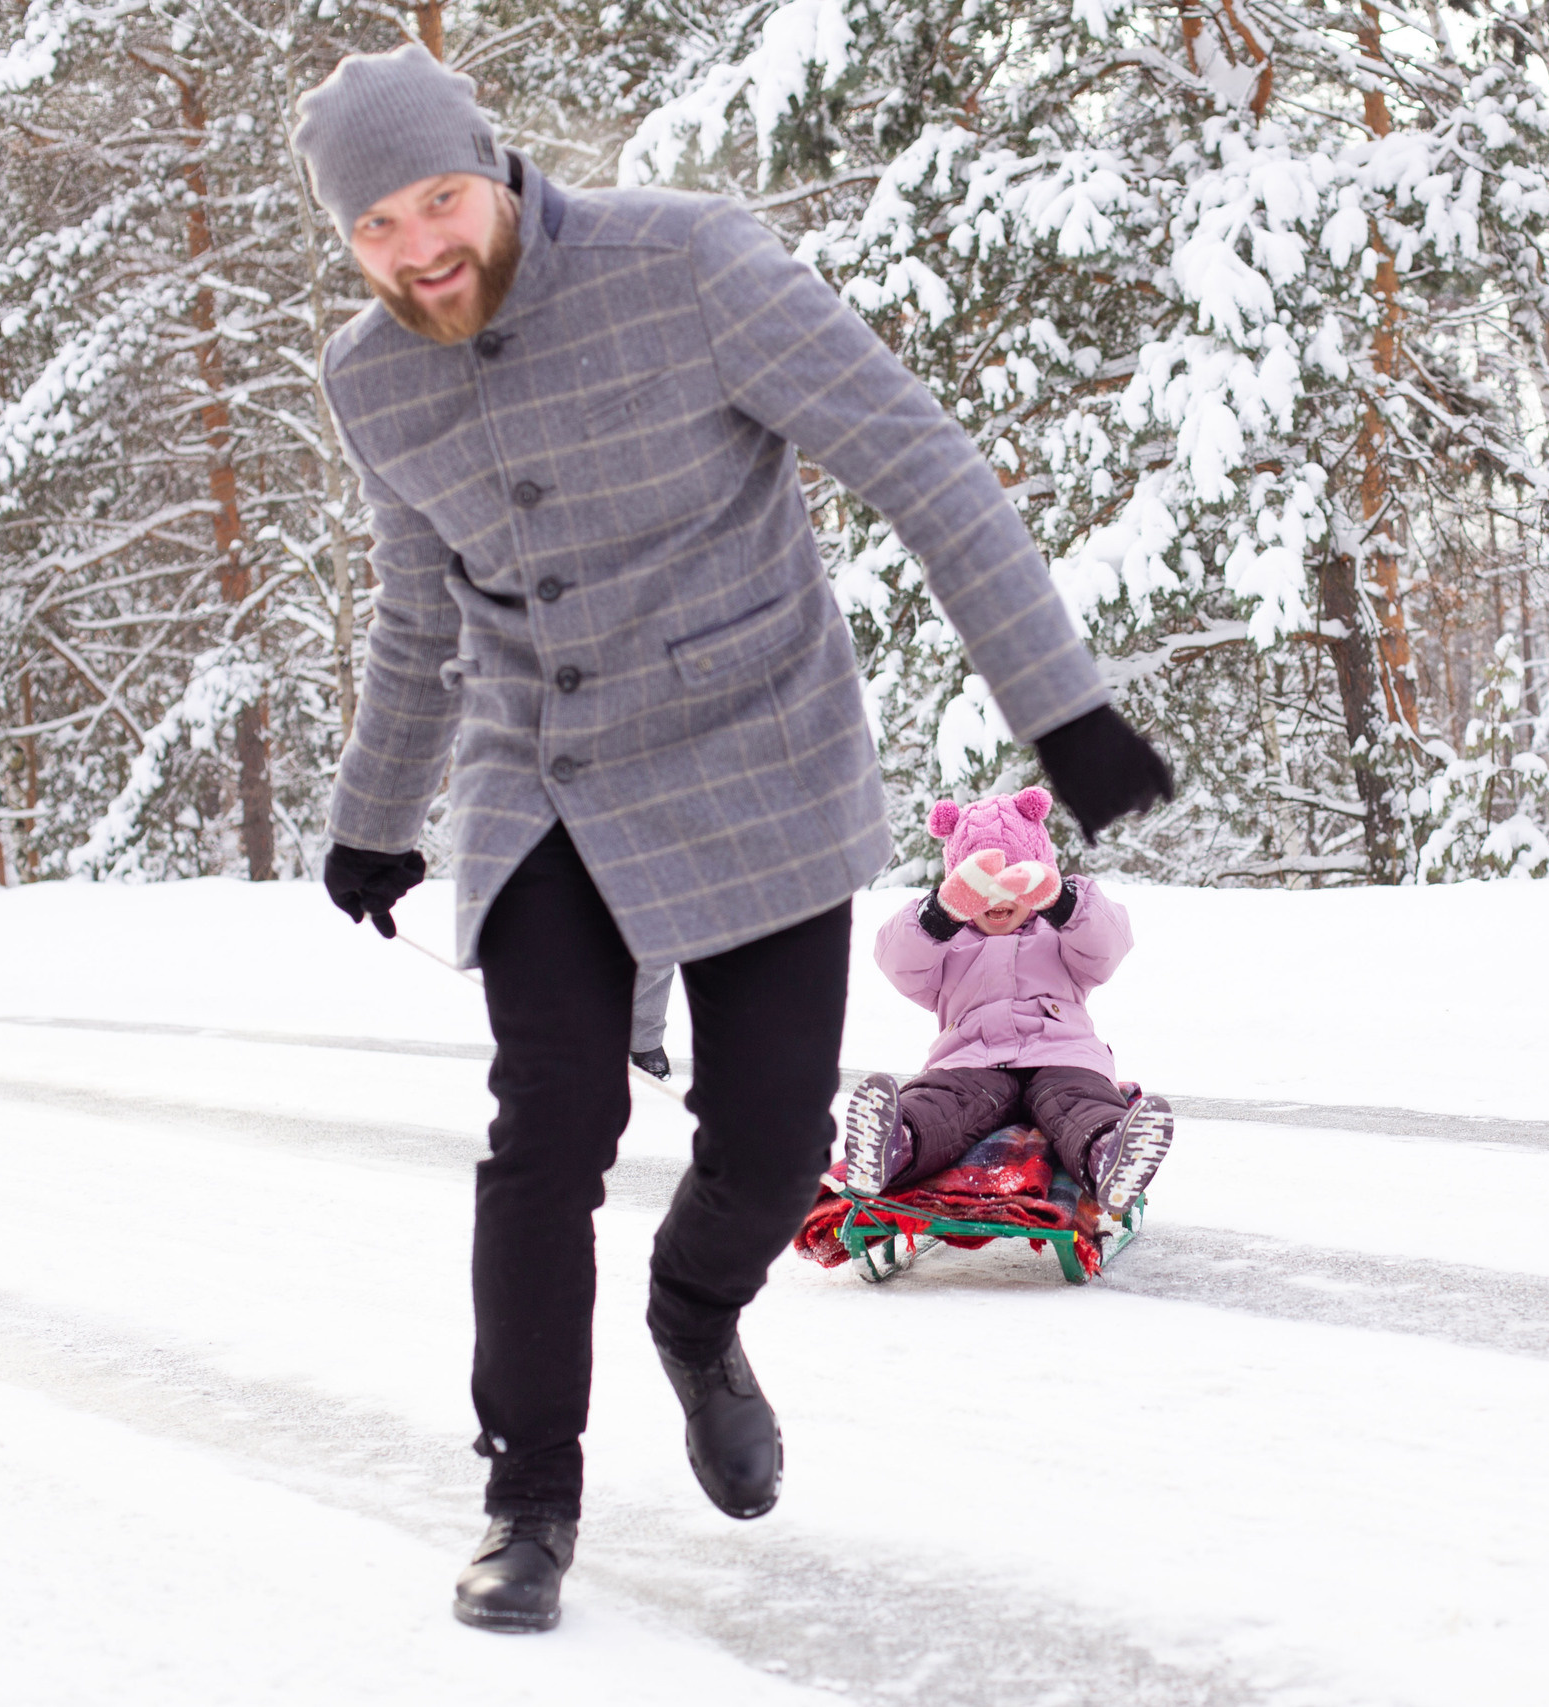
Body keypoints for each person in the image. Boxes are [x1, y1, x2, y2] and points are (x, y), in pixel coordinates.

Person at [289, 45, 1171, 1634]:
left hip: (750, 743)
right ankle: (527, 1495)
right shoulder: (371, 376)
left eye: (437, 200)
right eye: (374, 227)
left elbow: (917, 455)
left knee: (768, 1136)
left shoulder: (687, 263)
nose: (416, 246)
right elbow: (415, 610)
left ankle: (696, 1313)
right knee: (545, 1124)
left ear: (493, 164)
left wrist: (1066, 707)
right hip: (539, 771)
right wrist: (371, 817)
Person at [844, 788, 1173, 1213]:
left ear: (1038, 881)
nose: (997, 900)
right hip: (969, 1062)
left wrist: (1062, 903)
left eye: (1013, 884)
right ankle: (893, 1142)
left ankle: (1110, 1154)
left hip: (1062, 1055)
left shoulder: (1060, 931)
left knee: (1078, 1102)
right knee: (940, 1104)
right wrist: (940, 915)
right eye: (979, 889)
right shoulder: (947, 941)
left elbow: (1108, 945)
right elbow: (897, 962)